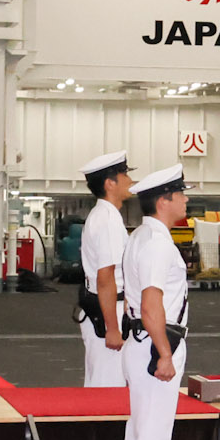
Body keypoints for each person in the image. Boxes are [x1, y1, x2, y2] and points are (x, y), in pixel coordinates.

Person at [116, 164, 194, 440]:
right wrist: (165, 354)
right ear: (164, 200)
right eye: (180, 193)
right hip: (154, 346)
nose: (185, 198)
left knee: (139, 434)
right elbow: (151, 304)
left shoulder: (141, 237)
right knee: (152, 439)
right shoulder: (157, 243)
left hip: (144, 342)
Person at [77, 151, 133, 386]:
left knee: (101, 381)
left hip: (104, 306)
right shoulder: (108, 219)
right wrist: (112, 328)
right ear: (110, 183)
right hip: (109, 310)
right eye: (125, 175)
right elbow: (106, 277)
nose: (130, 181)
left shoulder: (103, 215)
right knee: (108, 387)